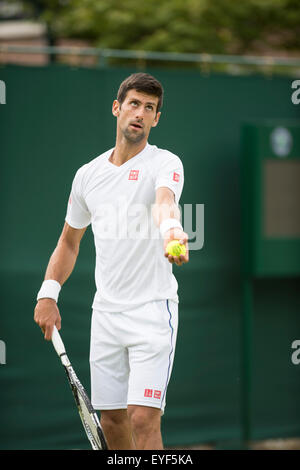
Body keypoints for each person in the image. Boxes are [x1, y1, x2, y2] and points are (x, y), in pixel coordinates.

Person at [34, 72, 189, 450]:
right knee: (113, 421)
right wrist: (48, 293)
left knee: (142, 417)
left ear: (156, 119)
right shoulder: (87, 176)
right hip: (105, 315)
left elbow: (165, 202)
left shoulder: (165, 162)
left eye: (149, 108)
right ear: (117, 108)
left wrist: (172, 231)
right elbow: (69, 242)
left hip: (153, 312)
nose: (140, 113)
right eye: (134, 104)